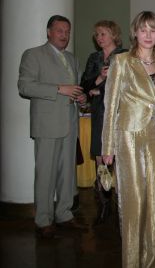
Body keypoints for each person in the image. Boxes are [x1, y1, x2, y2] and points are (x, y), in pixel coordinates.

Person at [101, 11, 155, 268]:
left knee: (154, 202)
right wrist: (107, 146)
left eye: (153, 29)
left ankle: (152, 262)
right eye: (143, 30)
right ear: (135, 33)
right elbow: (110, 106)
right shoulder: (122, 61)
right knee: (133, 201)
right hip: (128, 135)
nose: (148, 35)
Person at [18, 15, 88, 239]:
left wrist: (82, 98)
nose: (64, 35)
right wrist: (59, 89)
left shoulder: (72, 59)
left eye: (67, 31)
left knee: (68, 174)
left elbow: (75, 89)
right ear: (49, 32)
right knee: (46, 174)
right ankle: (43, 220)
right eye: (59, 31)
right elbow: (25, 86)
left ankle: (64, 215)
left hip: (70, 124)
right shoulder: (33, 55)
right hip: (47, 125)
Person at [80, 20, 126, 226]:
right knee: (101, 160)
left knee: (121, 160)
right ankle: (104, 205)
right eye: (97, 34)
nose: (99, 38)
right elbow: (84, 86)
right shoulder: (94, 58)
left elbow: (129, 86)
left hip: (121, 114)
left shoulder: (125, 55)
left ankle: (122, 205)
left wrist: (99, 90)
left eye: (103, 34)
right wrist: (99, 78)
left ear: (114, 35)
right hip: (100, 113)